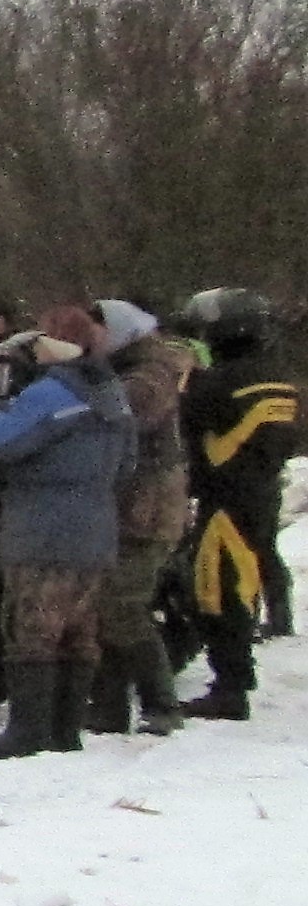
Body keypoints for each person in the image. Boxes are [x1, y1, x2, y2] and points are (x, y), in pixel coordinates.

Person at [0, 306, 129, 758]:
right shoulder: (111, 391)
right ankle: (65, 730)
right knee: (79, 630)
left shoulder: (53, 392)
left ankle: (28, 731)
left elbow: (2, 441)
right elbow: (127, 462)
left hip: (44, 526)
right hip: (96, 526)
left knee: (33, 627)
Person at [179, 289, 295, 721]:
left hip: (223, 497)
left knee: (217, 590)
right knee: (242, 583)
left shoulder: (215, 383)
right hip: (262, 493)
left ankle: (230, 688)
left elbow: (184, 430)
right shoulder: (279, 379)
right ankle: (235, 679)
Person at [90, 300, 193, 734]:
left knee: (123, 606)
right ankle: (110, 708)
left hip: (147, 510)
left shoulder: (151, 370)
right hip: (129, 506)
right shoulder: (128, 364)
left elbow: (128, 408)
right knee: (106, 605)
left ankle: (161, 703)